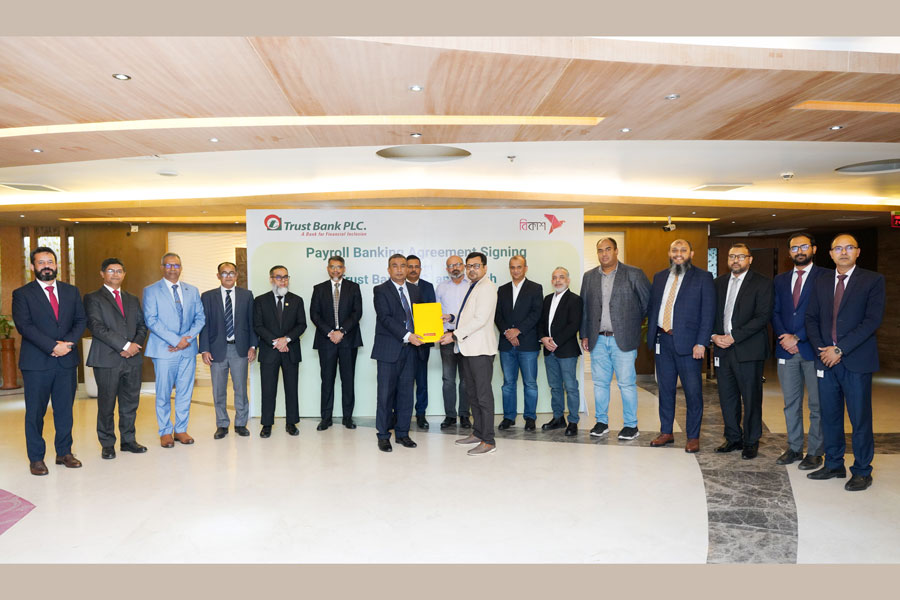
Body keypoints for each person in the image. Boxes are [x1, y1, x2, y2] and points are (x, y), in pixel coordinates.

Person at [805, 233, 885, 492]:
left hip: (856, 361)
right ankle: (834, 463)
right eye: (838, 248)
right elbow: (811, 318)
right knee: (829, 415)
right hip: (826, 362)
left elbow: (871, 322)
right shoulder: (821, 281)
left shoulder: (872, 280)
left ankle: (862, 470)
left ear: (858, 252)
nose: (843, 252)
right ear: (829, 254)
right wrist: (823, 351)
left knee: (860, 418)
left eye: (849, 247)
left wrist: (839, 349)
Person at [13, 246, 87, 476]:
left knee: (65, 410)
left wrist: (67, 345)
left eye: (50, 261)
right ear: (33, 266)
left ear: (56, 265)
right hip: (36, 363)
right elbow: (25, 326)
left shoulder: (71, 291)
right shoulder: (22, 294)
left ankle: (64, 452)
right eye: (41, 262)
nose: (46, 265)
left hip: (66, 361)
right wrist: (52, 346)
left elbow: (80, 320)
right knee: (35, 413)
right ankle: (36, 458)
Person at [646, 239, 715, 453]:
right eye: (674, 250)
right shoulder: (659, 277)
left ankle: (693, 436)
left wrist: (701, 342)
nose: (678, 254)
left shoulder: (703, 277)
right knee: (665, 390)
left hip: (689, 344)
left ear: (691, 253)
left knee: (693, 392)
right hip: (663, 341)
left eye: (683, 250)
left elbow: (708, 313)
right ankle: (666, 431)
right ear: (669, 253)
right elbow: (653, 307)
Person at [580, 238, 651, 440]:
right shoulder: (589, 277)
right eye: (600, 250)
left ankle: (631, 425)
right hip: (598, 340)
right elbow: (585, 308)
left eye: (608, 249)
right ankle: (601, 422)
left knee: (626, 384)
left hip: (624, 339)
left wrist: (632, 324)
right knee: (600, 384)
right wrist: (585, 333)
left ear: (616, 250)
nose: (604, 254)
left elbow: (647, 304)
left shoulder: (633, 274)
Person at [711, 243, 774, 460]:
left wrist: (734, 336)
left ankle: (751, 441)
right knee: (727, 397)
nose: (735, 260)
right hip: (722, 350)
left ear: (750, 259)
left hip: (749, 350)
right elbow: (710, 313)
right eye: (731, 256)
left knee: (751, 397)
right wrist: (713, 335)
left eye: (740, 256)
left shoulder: (762, 283)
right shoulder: (718, 283)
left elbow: (762, 316)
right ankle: (733, 438)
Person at [84, 257, 148, 459]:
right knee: (107, 404)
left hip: (132, 359)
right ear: (102, 274)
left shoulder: (131, 298)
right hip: (107, 359)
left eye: (119, 271)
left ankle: (128, 441)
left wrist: (134, 345)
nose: (115, 274)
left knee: (130, 403)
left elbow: (142, 325)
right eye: (111, 271)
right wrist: (124, 345)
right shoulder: (93, 298)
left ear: (124, 274)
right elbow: (96, 327)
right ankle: (107, 443)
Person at [772, 233, 825, 469]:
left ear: (814, 248)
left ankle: (815, 452)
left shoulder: (825, 277)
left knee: (817, 405)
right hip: (786, 350)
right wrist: (785, 337)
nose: (799, 251)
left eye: (804, 246)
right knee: (790, 403)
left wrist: (799, 337)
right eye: (795, 248)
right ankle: (794, 447)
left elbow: (825, 314)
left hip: (814, 350)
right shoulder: (780, 280)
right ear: (789, 252)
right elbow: (774, 312)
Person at [143, 252, 205, 448]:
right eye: (168, 265)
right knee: (163, 392)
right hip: (164, 350)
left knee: (185, 392)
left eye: (176, 265)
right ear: (162, 267)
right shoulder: (151, 290)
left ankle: (180, 429)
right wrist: (175, 340)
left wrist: (185, 340)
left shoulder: (192, 290)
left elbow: (200, 318)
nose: (172, 269)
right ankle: (165, 432)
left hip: (187, 350)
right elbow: (151, 320)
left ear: (181, 268)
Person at [440, 252, 499, 456]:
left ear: (484, 268)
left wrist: (453, 335)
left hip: (480, 350)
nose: (471, 269)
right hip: (468, 349)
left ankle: (488, 440)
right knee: (472, 395)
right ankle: (478, 432)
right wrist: (452, 318)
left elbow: (480, 319)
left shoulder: (488, 288)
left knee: (483, 397)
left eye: (476, 266)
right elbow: (467, 317)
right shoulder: (474, 286)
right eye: (469, 266)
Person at [371, 254, 426, 452]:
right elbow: (385, 318)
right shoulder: (381, 290)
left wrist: (431, 328)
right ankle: (384, 435)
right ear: (389, 270)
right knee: (385, 395)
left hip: (411, 351)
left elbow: (420, 317)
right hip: (388, 350)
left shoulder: (415, 290)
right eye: (395, 266)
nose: (400, 269)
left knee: (405, 395)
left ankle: (403, 434)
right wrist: (407, 335)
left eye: (403, 266)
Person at [199, 262, 257, 440]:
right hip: (216, 350)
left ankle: (241, 423)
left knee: (240, 389)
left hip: (240, 349)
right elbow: (204, 324)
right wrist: (204, 349)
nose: (228, 276)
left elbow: (252, 322)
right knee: (218, 390)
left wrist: (253, 346)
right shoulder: (208, 296)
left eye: (232, 273)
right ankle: (222, 424)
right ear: (218, 276)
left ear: (237, 275)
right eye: (224, 273)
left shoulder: (246, 295)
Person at [309, 255, 363, 431]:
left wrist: (342, 331)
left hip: (348, 340)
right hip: (327, 341)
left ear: (344, 269)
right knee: (327, 380)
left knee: (348, 380)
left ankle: (348, 417)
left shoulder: (353, 287)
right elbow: (314, 314)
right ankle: (326, 418)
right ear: (327, 269)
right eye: (332, 267)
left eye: (339, 267)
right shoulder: (319, 289)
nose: (336, 270)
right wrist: (331, 332)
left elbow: (357, 313)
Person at [253, 265, 307, 438]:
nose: (283, 280)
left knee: (292, 389)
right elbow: (258, 325)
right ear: (271, 279)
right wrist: (276, 342)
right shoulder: (260, 300)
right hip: (270, 351)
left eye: (285, 277)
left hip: (290, 350)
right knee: (268, 389)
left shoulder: (297, 300)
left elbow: (302, 324)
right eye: (278, 277)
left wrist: (287, 339)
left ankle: (291, 423)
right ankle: (267, 424)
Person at [494, 255, 543, 431]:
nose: (515, 270)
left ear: (525, 268)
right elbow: (497, 315)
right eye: (512, 267)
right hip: (507, 344)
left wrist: (518, 331)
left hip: (528, 344)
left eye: (519, 267)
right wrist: (508, 332)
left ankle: (530, 417)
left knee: (530, 383)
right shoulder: (502, 289)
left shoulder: (535, 288)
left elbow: (536, 314)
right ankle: (509, 417)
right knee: (508, 383)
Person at [537, 267, 583, 435]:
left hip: (567, 351)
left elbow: (574, 325)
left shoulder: (575, 300)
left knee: (570, 387)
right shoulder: (547, 299)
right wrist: (543, 338)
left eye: (561, 277)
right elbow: (541, 322)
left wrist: (555, 341)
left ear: (568, 280)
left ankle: (573, 421)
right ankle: (558, 418)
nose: (558, 280)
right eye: (554, 277)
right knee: (555, 387)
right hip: (549, 351)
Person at [435, 255, 471, 430]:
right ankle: (450, 415)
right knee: (448, 379)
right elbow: (435, 314)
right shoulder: (441, 288)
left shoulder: (472, 286)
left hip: (467, 338)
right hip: (446, 338)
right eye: (450, 266)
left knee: (466, 380)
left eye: (457, 264)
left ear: (463, 266)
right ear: (447, 269)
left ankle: (464, 415)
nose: (454, 268)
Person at [406, 254, 436, 429]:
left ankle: (421, 415)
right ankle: (402, 414)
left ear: (420, 269)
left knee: (422, 381)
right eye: (410, 266)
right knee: (404, 382)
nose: (413, 269)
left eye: (416, 266)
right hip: (403, 342)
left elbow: (431, 313)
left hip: (423, 342)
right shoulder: (399, 287)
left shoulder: (427, 287)